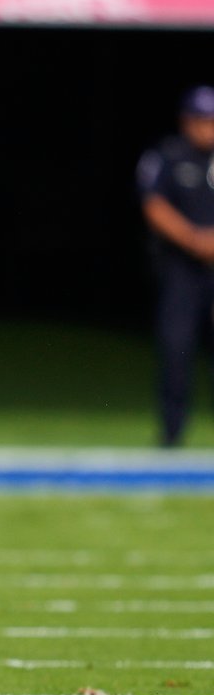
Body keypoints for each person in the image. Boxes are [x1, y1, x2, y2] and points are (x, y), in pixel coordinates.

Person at [136, 85, 214, 447]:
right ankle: (172, 432)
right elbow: (153, 205)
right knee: (176, 348)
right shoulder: (168, 155)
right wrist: (195, 239)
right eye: (201, 120)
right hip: (181, 270)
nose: (207, 128)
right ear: (187, 121)